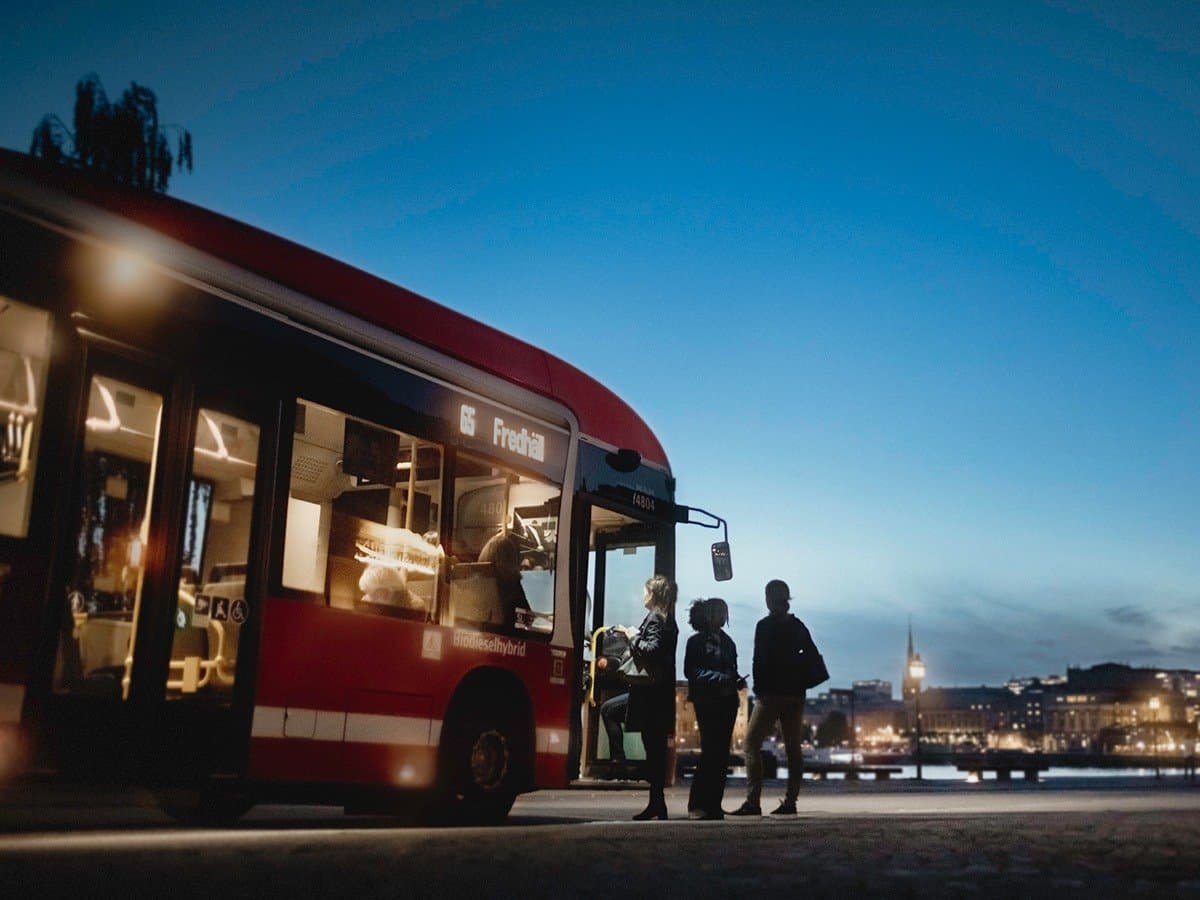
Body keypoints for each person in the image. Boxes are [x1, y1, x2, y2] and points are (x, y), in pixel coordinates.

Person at [731, 578, 817, 816]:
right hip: (795, 694)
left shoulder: (765, 625)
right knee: (793, 748)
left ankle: (753, 800)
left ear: (769, 598)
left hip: (771, 694)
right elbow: (811, 655)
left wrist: (759, 690)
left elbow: (758, 661)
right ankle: (790, 801)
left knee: (751, 744)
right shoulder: (797, 625)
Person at [624, 573, 678, 820]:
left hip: (651, 696)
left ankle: (655, 801)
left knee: (653, 749)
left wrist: (632, 636)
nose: (643, 595)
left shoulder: (656, 618)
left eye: (646, 591)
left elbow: (652, 650)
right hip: (660, 695)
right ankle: (657, 804)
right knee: (655, 750)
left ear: (654, 595)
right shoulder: (668, 620)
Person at [683, 598, 742, 820]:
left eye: (724, 612)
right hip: (707, 700)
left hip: (727, 701)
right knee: (710, 752)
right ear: (707, 615)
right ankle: (698, 804)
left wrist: (735, 681)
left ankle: (714, 804)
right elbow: (692, 671)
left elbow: (730, 670)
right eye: (717, 612)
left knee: (721, 755)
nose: (721, 616)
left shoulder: (729, 643)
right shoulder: (696, 642)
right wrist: (722, 678)